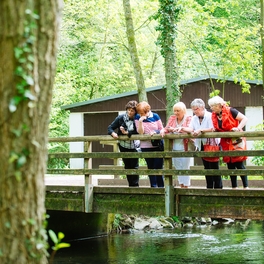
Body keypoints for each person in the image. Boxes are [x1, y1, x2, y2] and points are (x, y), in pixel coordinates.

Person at [208, 96, 248, 189]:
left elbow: (244, 119)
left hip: (236, 139)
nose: (211, 108)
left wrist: (238, 128)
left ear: (219, 105)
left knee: (239, 162)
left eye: (212, 106)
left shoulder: (231, 111)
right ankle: (234, 186)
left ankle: (245, 186)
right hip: (225, 141)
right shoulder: (215, 115)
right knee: (230, 163)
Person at [184, 98, 223, 189]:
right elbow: (191, 128)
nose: (194, 111)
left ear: (202, 107)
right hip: (201, 144)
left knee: (214, 167)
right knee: (206, 167)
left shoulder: (210, 116)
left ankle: (218, 187)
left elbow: (213, 128)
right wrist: (182, 129)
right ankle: (209, 187)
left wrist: (201, 130)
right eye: (193, 109)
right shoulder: (194, 118)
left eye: (196, 109)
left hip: (212, 144)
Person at [108, 100, 140, 187]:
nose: (130, 112)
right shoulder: (120, 118)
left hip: (134, 146)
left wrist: (128, 133)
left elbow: (139, 132)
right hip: (123, 145)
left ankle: (135, 186)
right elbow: (110, 128)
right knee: (127, 166)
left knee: (135, 166)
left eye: (132, 110)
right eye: (128, 110)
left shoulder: (138, 118)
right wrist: (113, 133)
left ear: (135, 112)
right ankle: (130, 185)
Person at [160, 102, 192, 188]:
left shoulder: (188, 118)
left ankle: (186, 186)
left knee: (185, 167)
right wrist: (163, 130)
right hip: (174, 147)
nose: (176, 112)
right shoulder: (172, 118)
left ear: (183, 111)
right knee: (178, 168)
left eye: (178, 110)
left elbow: (190, 129)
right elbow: (167, 128)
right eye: (175, 111)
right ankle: (181, 185)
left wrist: (177, 129)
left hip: (185, 147)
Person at [134, 101, 164, 188]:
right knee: (150, 167)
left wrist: (155, 132)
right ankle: (153, 187)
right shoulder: (137, 117)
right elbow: (140, 132)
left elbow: (161, 129)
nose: (141, 114)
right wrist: (140, 121)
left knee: (159, 167)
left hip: (157, 146)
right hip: (145, 146)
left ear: (148, 111)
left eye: (142, 113)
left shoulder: (155, 116)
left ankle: (161, 187)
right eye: (139, 113)